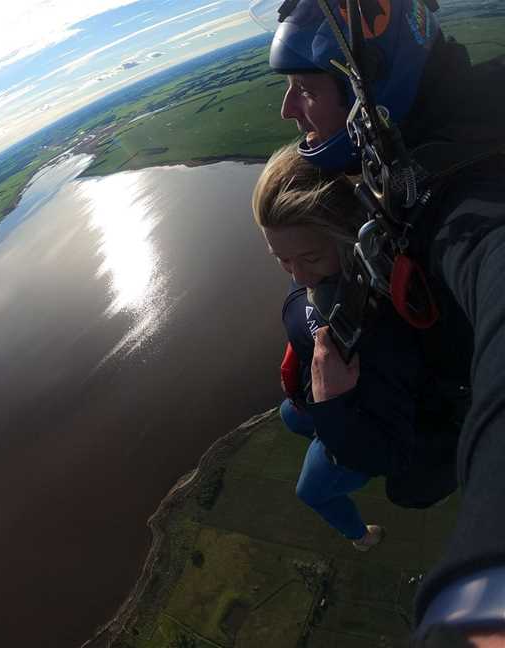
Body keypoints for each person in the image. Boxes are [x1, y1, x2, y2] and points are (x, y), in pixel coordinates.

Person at [263, 0, 505, 643]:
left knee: (315, 465)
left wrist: (485, 590)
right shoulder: (414, 154)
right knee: (294, 413)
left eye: (305, 87)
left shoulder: (468, 205)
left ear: (370, 88)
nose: (287, 110)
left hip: (406, 426)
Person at [252, 142, 445, 551]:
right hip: (323, 404)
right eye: (282, 261)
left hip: (352, 429)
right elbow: (304, 315)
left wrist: (332, 406)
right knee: (290, 415)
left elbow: (387, 453)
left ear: (349, 241)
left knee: (312, 491)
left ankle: (360, 538)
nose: (299, 276)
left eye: (310, 259)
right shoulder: (324, 280)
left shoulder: (377, 328)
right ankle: (319, 430)